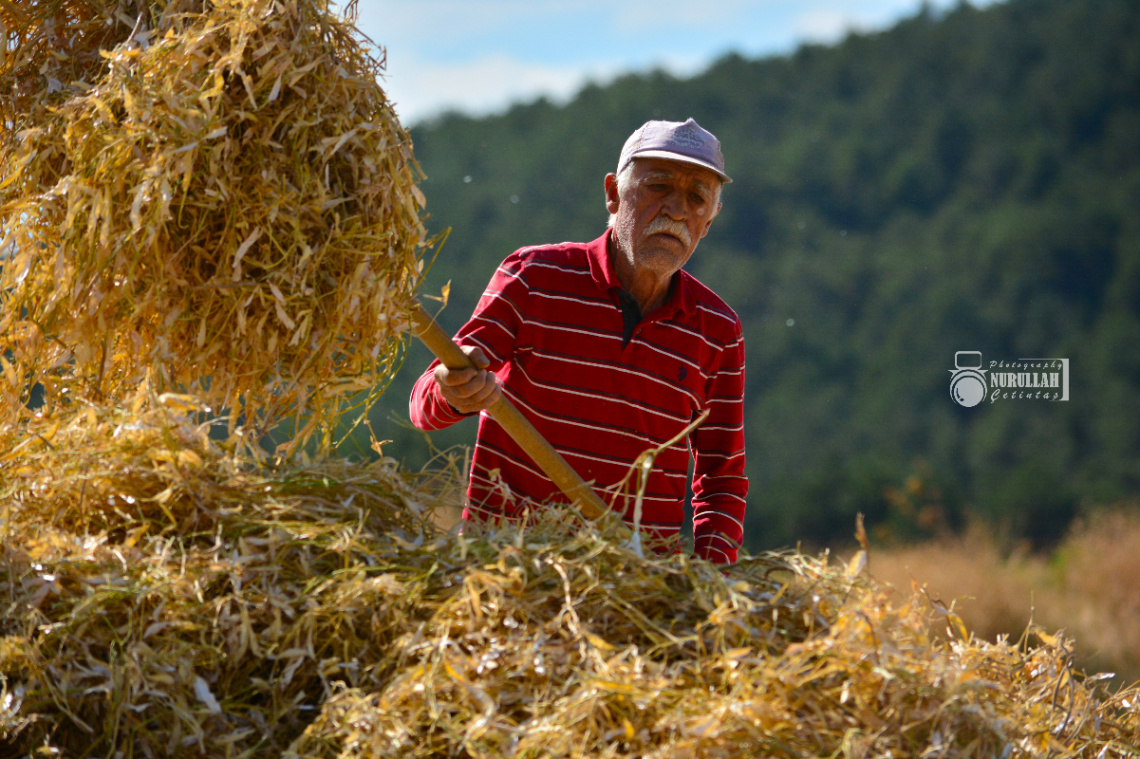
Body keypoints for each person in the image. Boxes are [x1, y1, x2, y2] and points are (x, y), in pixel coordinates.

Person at [409, 118, 747, 563]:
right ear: (612, 193)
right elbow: (423, 407)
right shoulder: (533, 277)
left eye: (696, 198)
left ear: (709, 221)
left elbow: (722, 481)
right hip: (505, 569)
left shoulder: (717, 331)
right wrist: (453, 392)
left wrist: (712, 579)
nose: (676, 210)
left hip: (634, 590)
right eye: (658, 187)